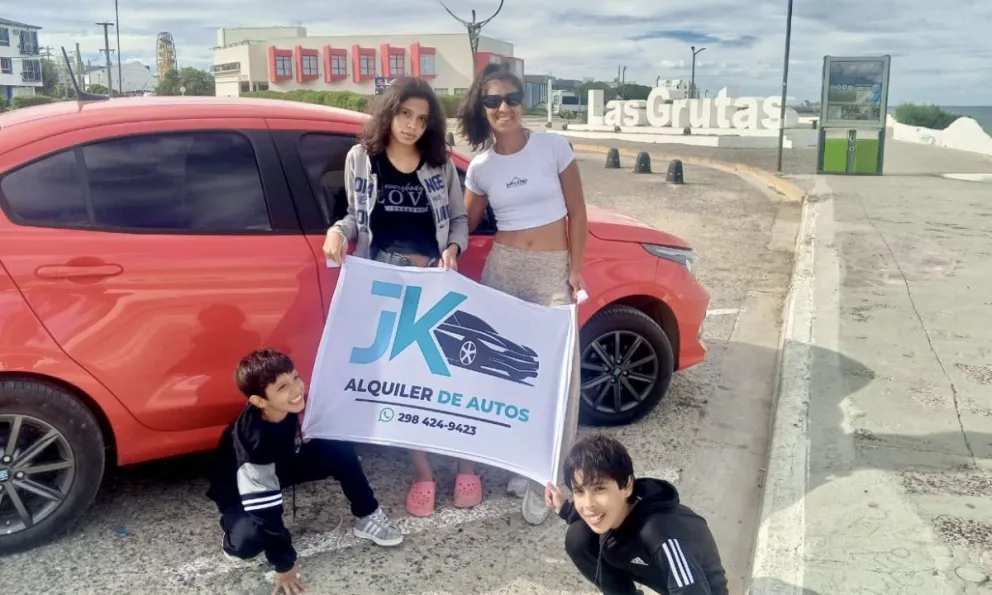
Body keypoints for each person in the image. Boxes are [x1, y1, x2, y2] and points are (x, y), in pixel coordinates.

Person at [321, 76, 478, 518]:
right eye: (405, 114)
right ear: (389, 113)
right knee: (406, 382)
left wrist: (454, 248)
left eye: (422, 119)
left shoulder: (438, 162)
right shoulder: (361, 159)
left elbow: (459, 220)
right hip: (386, 279)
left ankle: (467, 466)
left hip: (434, 279)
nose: (412, 126)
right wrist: (337, 231)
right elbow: (354, 217)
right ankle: (423, 473)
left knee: (450, 377)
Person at [458, 63, 587, 525]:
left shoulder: (553, 146)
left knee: (557, 377)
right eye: (493, 101)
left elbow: (577, 212)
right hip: (504, 271)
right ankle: (520, 462)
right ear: (483, 108)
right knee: (507, 372)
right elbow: (464, 223)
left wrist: (575, 268)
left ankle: (546, 477)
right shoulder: (481, 168)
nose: (504, 108)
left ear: (523, 101)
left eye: (512, 98)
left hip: (552, 271)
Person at [206, 348, 404, 595]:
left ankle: (367, 514)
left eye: (295, 378)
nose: (296, 389)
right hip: (240, 486)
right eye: (283, 387)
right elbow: (266, 510)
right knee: (247, 545)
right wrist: (284, 565)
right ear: (259, 401)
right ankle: (231, 528)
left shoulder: (284, 404)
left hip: (280, 465)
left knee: (336, 444)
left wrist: (307, 432)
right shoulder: (254, 443)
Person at [545, 435, 729, 595]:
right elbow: (588, 512)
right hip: (659, 575)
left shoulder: (661, 534)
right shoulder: (620, 507)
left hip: (700, 590)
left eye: (599, 489)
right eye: (579, 491)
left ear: (627, 485)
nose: (588, 504)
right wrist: (565, 509)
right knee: (578, 538)